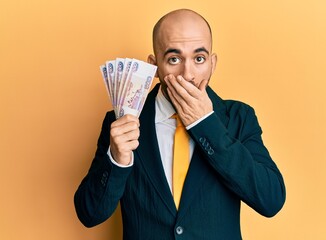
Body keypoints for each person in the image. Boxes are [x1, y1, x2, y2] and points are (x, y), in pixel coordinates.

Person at [74, 9, 286, 240]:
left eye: (199, 58)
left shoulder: (239, 117)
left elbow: (270, 200)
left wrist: (206, 125)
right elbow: (89, 214)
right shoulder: (121, 120)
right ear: (154, 67)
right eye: (174, 59)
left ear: (212, 63)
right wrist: (117, 161)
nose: (188, 74)